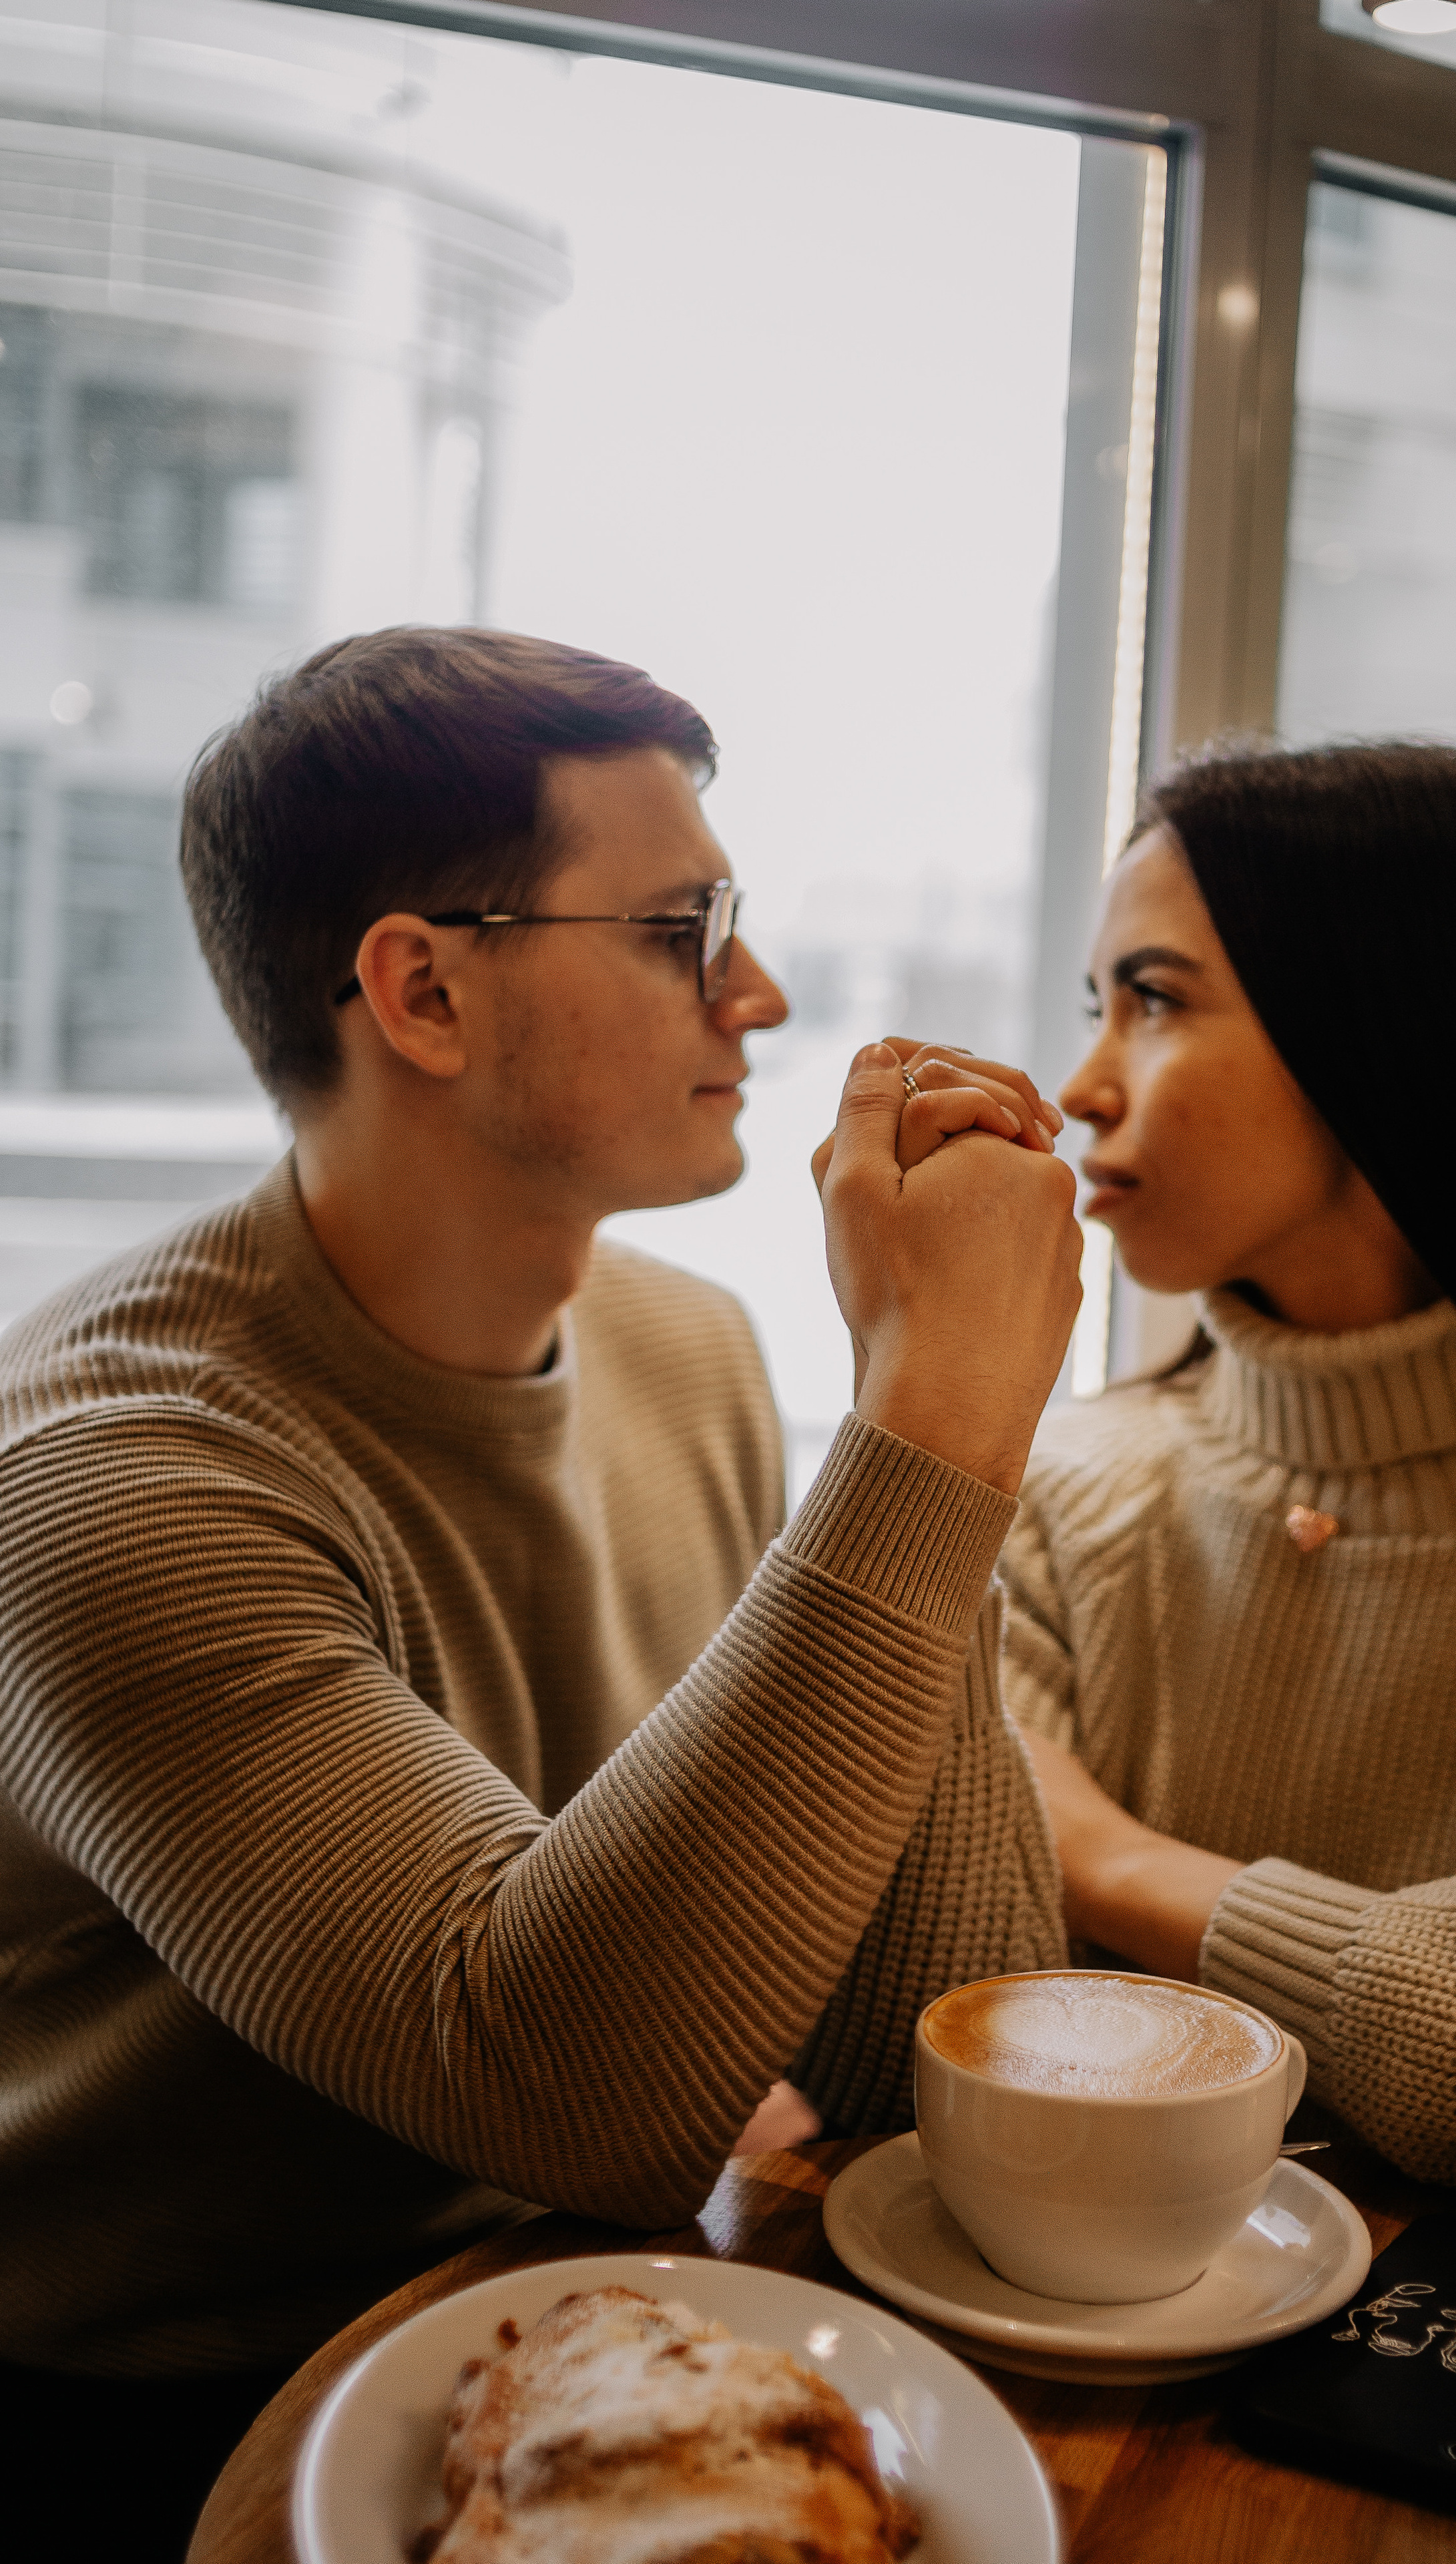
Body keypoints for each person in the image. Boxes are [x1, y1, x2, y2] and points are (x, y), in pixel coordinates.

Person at [0, 626, 1080, 2559]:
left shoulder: (692, 1348)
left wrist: (937, 1444)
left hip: (590, 2312)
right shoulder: (109, 1484)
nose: (759, 994)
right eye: (682, 927)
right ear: (420, 989)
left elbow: (915, 2027)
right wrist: (939, 1411)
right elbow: (559, 2075)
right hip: (151, 2424)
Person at [1001, 738, 1456, 2223]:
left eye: (1152, 1000)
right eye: (1096, 1007)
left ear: (1387, 1031)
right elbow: (943, 2004)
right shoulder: (1052, 1489)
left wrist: (1113, 1864)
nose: (1078, 1087)